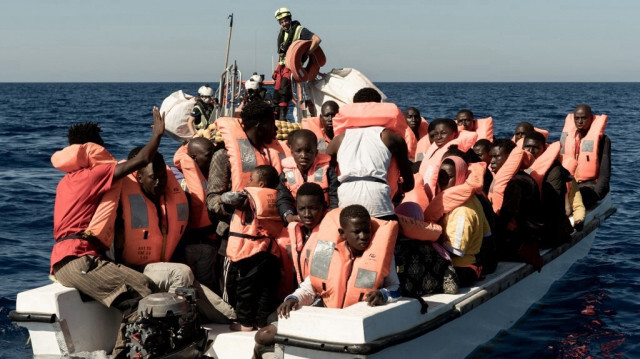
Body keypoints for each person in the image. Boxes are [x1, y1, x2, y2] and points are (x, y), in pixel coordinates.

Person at [50, 108, 164, 356]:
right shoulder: (94, 174)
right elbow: (143, 159)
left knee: (138, 291)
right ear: (93, 148)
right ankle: (126, 353)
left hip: (67, 260)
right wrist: (157, 135)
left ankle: (125, 350)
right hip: (79, 259)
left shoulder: (67, 180)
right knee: (144, 292)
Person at [206, 100, 281, 305]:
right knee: (232, 295)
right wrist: (228, 201)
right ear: (259, 125)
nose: (274, 129)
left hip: (266, 238)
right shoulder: (223, 156)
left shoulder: (272, 153)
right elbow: (211, 200)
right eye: (271, 124)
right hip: (233, 237)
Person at [278, 204, 400, 314]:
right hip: (330, 314)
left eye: (366, 231)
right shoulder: (326, 253)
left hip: (362, 317)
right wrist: (293, 299)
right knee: (265, 335)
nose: (363, 236)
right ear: (342, 233)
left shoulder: (383, 256)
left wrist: (383, 294)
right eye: (356, 232)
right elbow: (309, 288)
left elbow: (396, 287)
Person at [326, 89, 414, 220]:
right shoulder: (391, 138)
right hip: (377, 195)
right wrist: (398, 188)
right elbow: (409, 184)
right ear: (379, 106)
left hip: (346, 193)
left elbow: (326, 173)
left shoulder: (338, 140)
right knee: (386, 233)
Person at [226, 165, 283, 331]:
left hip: (249, 252)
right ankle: (261, 323)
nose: (248, 182)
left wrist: (220, 198)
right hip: (270, 251)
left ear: (262, 185)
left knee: (245, 291)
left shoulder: (247, 199)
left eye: (252, 179)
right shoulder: (277, 198)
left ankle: (245, 324)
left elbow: (228, 198)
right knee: (266, 290)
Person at [489, 139, 544, 271]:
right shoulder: (517, 178)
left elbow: (507, 216)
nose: (491, 161)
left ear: (509, 158)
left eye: (496, 156)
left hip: (519, 243)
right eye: (491, 156)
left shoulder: (516, 183)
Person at [437, 156, 491, 287]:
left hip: (460, 269)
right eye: (441, 176)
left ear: (461, 176)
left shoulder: (462, 211)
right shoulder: (473, 200)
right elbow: (486, 233)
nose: (443, 182)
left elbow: (456, 250)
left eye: (449, 177)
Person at [172, 137, 218, 288]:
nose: (213, 159)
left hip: (206, 244)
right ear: (193, 158)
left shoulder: (204, 175)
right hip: (188, 246)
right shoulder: (180, 181)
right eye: (208, 155)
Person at [522, 132, 575, 246]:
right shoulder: (519, 166)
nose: (530, 151)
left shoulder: (554, 171)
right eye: (527, 147)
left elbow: (553, 207)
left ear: (544, 148)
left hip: (546, 227)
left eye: (536, 147)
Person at [277, 129, 338, 225]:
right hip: (298, 220)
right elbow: (283, 198)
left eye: (309, 151)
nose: (303, 155)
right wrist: (289, 216)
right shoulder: (286, 173)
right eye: (298, 151)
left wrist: (330, 215)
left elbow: (334, 195)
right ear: (292, 152)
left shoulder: (327, 170)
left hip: (324, 220)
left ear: (316, 152)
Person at [272, 7, 322, 121]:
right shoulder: (282, 33)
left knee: (284, 89)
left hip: (292, 65)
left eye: (286, 20)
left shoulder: (300, 30)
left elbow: (317, 40)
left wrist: (307, 53)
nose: (284, 23)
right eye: (282, 22)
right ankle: (276, 118)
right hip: (282, 65)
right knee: (276, 91)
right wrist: (277, 67)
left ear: (290, 19)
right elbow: (281, 53)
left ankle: (283, 118)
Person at [561, 104, 611, 208]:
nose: (579, 122)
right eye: (577, 118)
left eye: (583, 118)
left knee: (579, 197)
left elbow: (604, 174)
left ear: (591, 118)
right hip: (569, 183)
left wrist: (596, 195)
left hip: (590, 186)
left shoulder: (603, 140)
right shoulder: (568, 138)